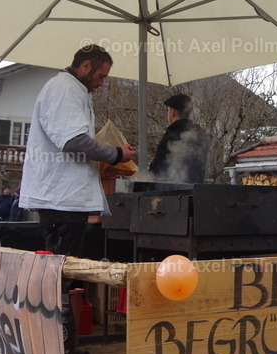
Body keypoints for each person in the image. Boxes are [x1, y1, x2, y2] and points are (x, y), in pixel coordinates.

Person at [19, 45, 136, 257]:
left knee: (60, 267)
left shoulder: (71, 89)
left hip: (62, 198)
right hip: (61, 200)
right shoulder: (65, 89)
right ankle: (60, 291)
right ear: (85, 66)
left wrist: (103, 161)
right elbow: (74, 142)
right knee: (62, 269)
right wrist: (116, 155)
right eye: (101, 76)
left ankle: (61, 290)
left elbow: (73, 142)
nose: (101, 83)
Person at [149, 94, 211, 184]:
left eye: (168, 110)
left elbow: (157, 168)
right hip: (195, 191)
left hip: (171, 191)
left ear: (173, 112)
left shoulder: (172, 135)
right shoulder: (200, 134)